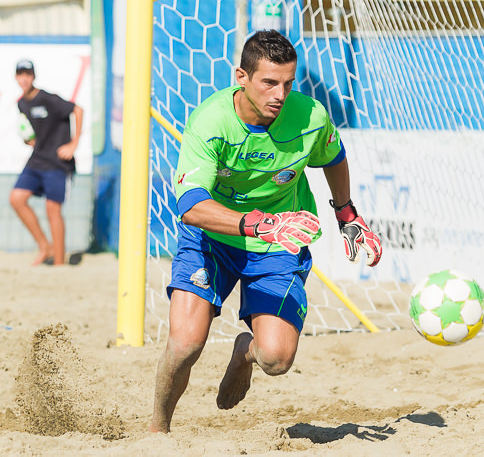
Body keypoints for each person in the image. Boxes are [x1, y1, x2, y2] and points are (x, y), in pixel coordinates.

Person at [149, 30, 382, 433]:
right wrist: (259, 223)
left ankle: (245, 353)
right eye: (269, 82)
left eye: (289, 83)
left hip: (279, 244)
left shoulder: (310, 116)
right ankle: (158, 428)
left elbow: (334, 155)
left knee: (276, 359)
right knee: (186, 344)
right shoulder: (211, 121)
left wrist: (346, 212)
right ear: (242, 76)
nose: (280, 94)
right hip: (213, 239)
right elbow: (190, 207)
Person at [9, 59, 84, 266]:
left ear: (33, 77)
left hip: (58, 162)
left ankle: (59, 263)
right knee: (16, 198)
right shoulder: (21, 103)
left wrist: (73, 143)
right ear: (16, 78)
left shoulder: (48, 99)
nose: (24, 79)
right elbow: (32, 133)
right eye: (20, 75)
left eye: (28, 74)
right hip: (38, 159)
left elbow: (78, 110)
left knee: (52, 208)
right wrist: (29, 139)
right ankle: (44, 246)